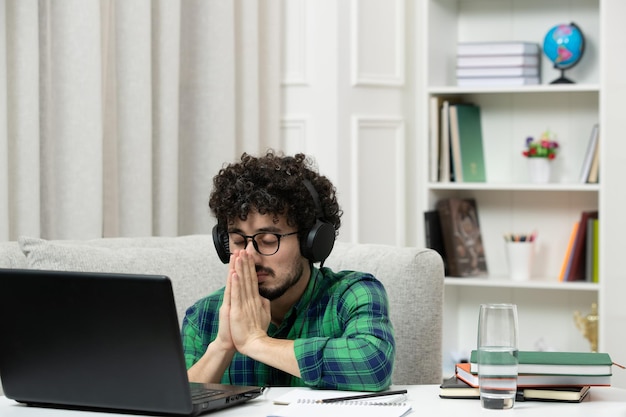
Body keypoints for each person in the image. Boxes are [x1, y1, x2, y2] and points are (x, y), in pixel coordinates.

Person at [181, 150, 395, 391]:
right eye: (239, 241)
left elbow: (373, 366)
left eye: (269, 239)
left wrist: (256, 342)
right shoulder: (203, 316)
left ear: (311, 241)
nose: (250, 255)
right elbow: (172, 404)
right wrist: (222, 346)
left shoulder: (354, 294)